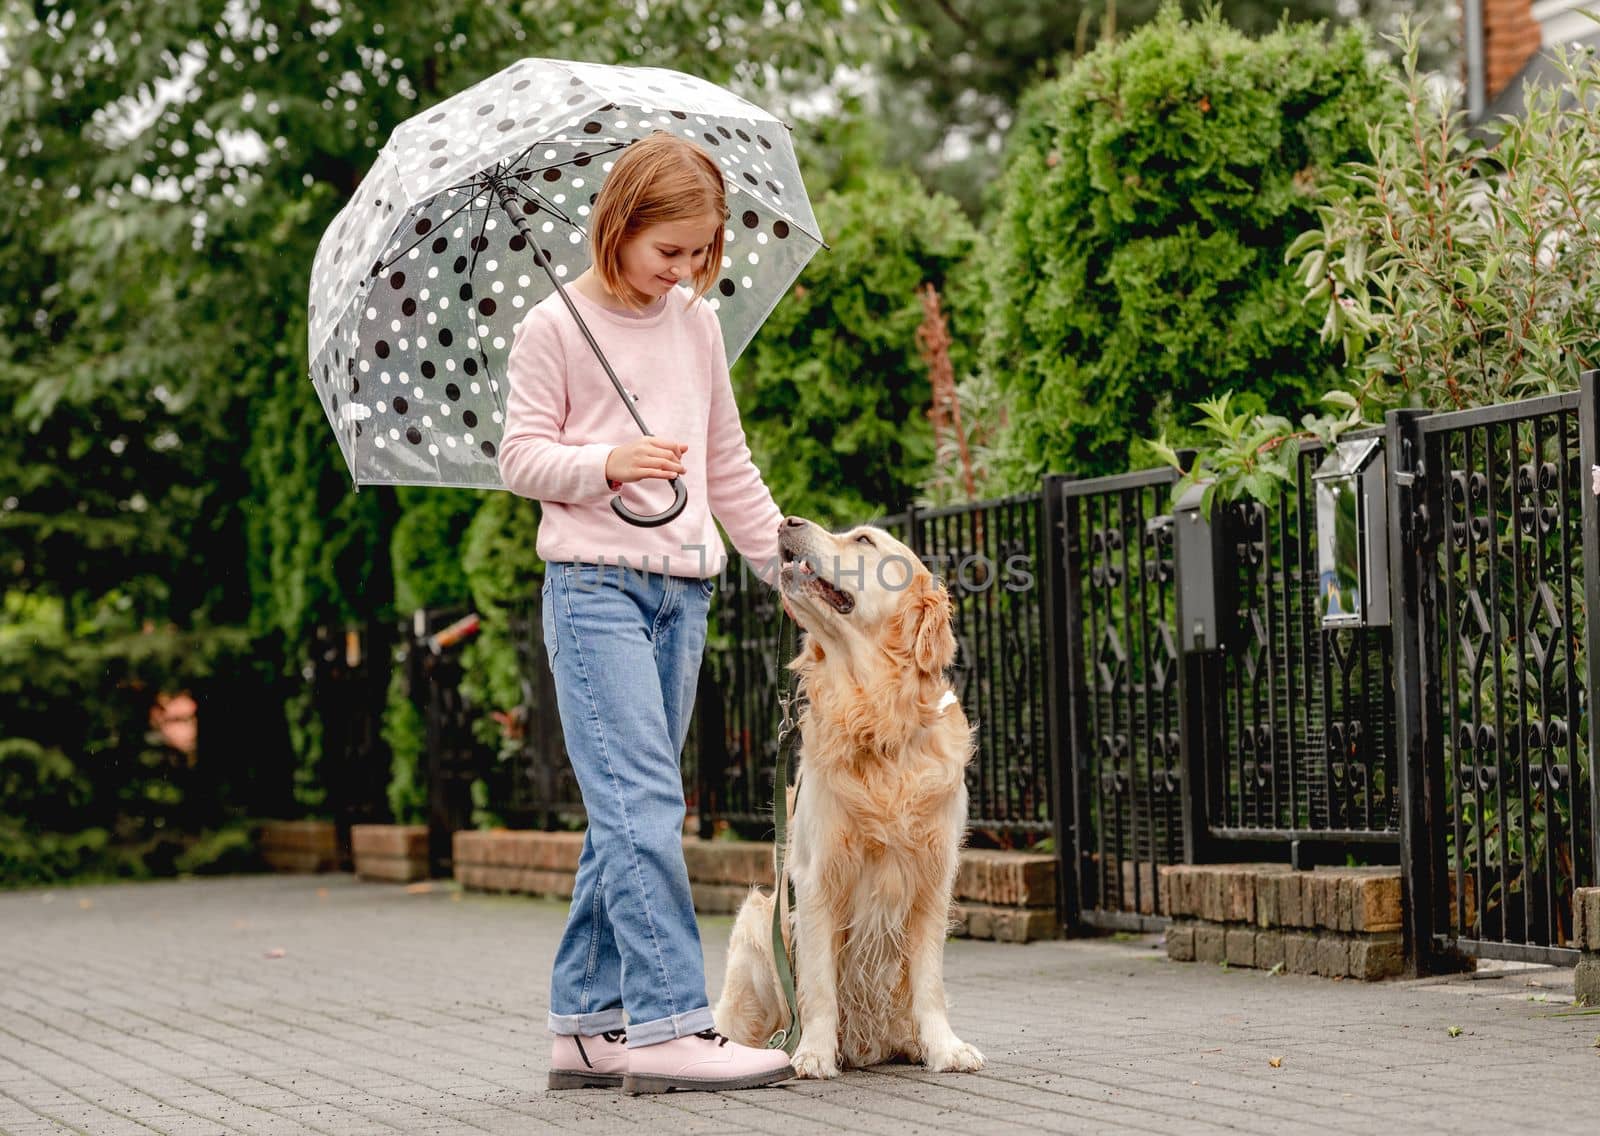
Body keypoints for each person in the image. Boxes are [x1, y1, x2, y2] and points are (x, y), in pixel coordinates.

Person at [497, 131, 792, 1095]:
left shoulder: (694, 327)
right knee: (646, 807)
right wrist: (605, 463)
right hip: (594, 594)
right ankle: (668, 1024)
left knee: (626, 812)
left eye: (702, 252)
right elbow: (520, 461)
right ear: (617, 225)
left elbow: (729, 466)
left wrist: (792, 574)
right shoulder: (553, 328)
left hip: (684, 593)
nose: (687, 270)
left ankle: (585, 1026)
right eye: (669, 249)